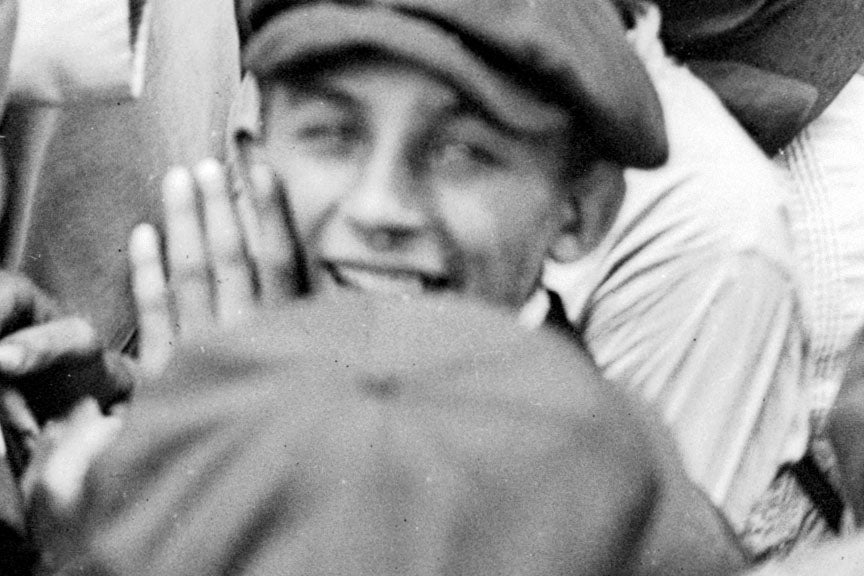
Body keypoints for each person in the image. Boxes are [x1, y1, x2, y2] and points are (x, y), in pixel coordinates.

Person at [26, 0, 749, 573]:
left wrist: (177, 490)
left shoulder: (620, 513)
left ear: (582, 210)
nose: (379, 208)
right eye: (333, 134)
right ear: (252, 159)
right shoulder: (165, 406)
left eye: (465, 152)